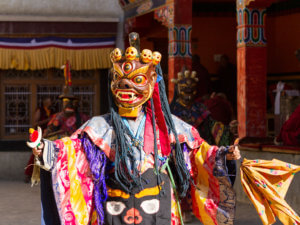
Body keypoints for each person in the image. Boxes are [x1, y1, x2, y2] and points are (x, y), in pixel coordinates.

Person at [29, 33, 240, 225]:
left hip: (157, 203)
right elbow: (72, 150)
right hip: (115, 204)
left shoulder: (169, 126)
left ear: (151, 85)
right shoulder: (99, 126)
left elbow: (197, 153)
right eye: (119, 81)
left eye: (136, 81)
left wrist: (223, 155)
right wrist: (47, 150)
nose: (126, 87)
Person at [24, 96, 53, 183]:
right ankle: (28, 174)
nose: (51, 103)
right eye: (49, 101)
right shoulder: (40, 110)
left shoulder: (51, 111)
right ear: (45, 102)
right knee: (35, 154)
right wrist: (47, 120)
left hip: (47, 135)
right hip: (38, 134)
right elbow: (35, 123)